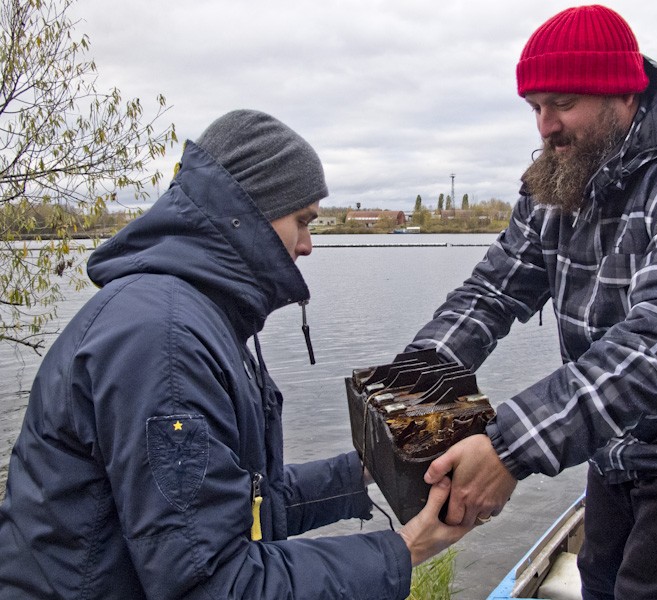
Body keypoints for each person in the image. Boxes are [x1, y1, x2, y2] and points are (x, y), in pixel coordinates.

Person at [0, 110, 471, 599]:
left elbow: (243, 503)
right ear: (250, 211)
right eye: (303, 221)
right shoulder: (164, 345)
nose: (309, 245)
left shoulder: (194, 318)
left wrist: (372, 465)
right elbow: (215, 583)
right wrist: (405, 549)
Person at [406, 5, 657, 599]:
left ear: (624, 96)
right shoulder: (556, 185)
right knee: (598, 580)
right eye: (534, 107)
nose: (545, 126)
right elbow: (489, 294)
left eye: (562, 103)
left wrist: (508, 448)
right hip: (618, 439)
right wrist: (413, 382)